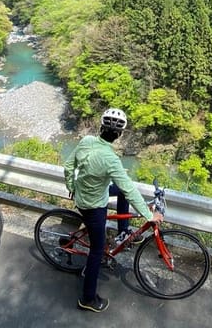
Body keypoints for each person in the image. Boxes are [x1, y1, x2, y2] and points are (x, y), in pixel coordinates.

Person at [63, 107, 163, 312]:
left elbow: (67, 167)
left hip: (84, 192)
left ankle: (123, 230)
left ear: (100, 127)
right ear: (119, 134)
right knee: (97, 251)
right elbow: (129, 187)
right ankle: (88, 299)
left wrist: (72, 188)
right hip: (93, 205)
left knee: (122, 192)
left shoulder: (86, 141)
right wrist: (148, 215)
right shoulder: (111, 160)